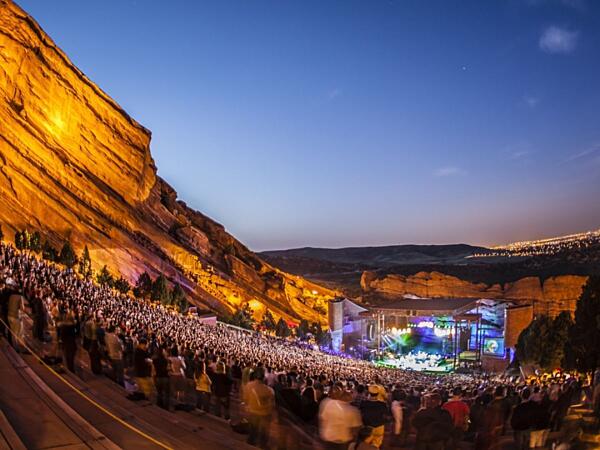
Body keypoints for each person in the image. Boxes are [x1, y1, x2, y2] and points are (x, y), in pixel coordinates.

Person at [319, 385, 362, 450]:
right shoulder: (353, 411)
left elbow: (322, 419)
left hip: (328, 437)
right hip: (342, 441)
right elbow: (355, 429)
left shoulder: (328, 403)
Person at [244, 367, 275, 448]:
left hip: (252, 412)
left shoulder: (248, 385)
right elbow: (272, 405)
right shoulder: (269, 390)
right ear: (264, 377)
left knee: (252, 433)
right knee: (264, 436)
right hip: (265, 415)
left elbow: (246, 399)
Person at [7, 281, 25, 352]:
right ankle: (17, 348)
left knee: (12, 332)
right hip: (16, 316)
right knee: (18, 333)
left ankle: (14, 347)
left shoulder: (11, 296)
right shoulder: (20, 297)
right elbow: (22, 308)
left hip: (9, 315)